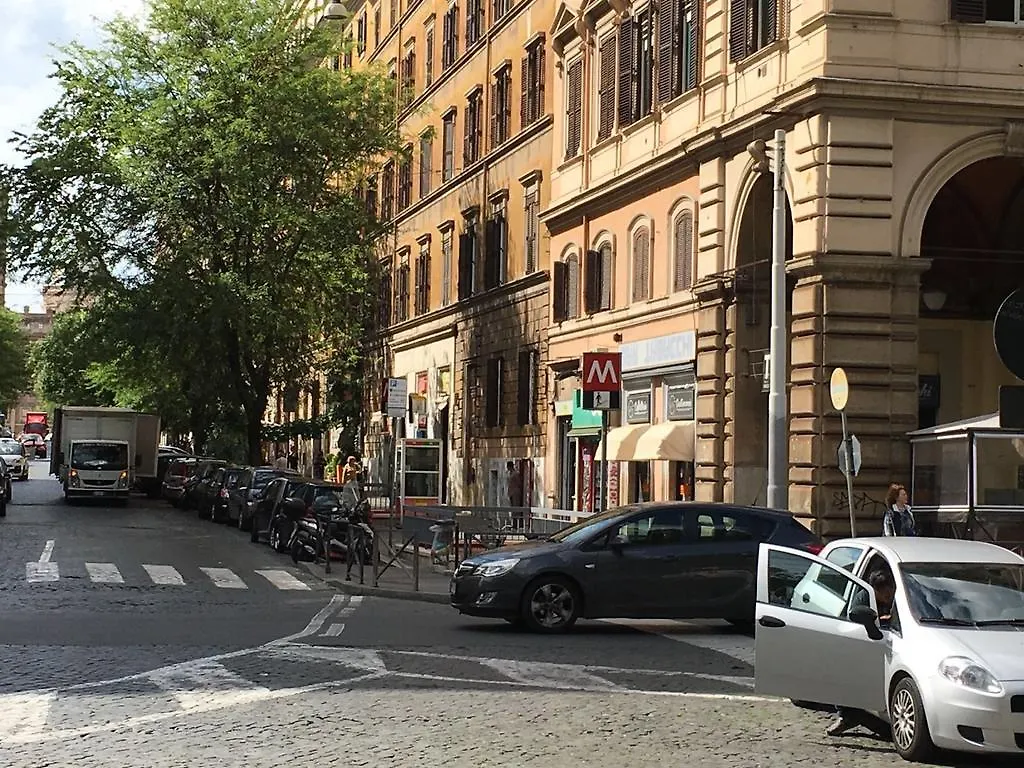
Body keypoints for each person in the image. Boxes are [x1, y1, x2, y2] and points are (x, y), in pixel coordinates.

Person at [826, 570, 897, 737]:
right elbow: (856, 617)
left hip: (892, 643)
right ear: (874, 590)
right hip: (862, 643)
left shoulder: (901, 597)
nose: (889, 596)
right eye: (885, 593)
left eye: (891, 591)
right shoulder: (863, 598)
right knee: (844, 673)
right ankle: (845, 716)